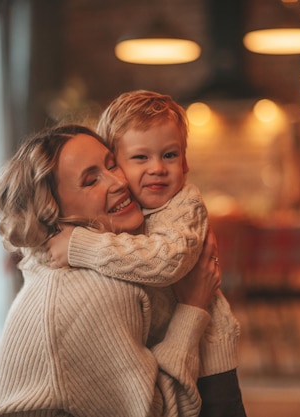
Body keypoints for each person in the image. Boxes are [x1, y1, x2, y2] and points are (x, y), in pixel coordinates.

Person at [0, 124, 222, 417]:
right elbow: (164, 413)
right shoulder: (96, 292)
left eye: (112, 165)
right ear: (52, 210)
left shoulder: (73, 264)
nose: (118, 182)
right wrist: (193, 307)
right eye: (91, 181)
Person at [47, 90, 246, 417]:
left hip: (210, 357)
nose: (158, 168)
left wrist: (80, 246)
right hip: (158, 350)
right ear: (117, 166)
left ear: (184, 162)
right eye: (141, 158)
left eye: (169, 155)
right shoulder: (125, 208)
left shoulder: (185, 206)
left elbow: (165, 262)